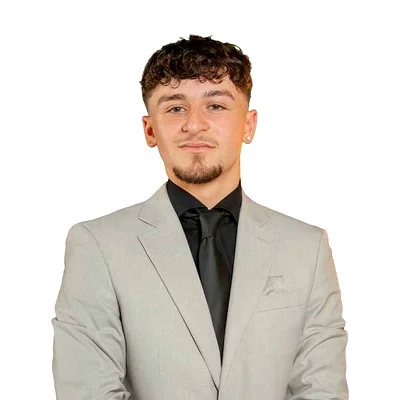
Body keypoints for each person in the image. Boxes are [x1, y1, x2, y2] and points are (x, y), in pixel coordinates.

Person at [51, 34, 349, 399]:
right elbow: (87, 391)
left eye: (216, 106)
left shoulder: (307, 248)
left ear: (249, 125)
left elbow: (320, 389)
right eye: (175, 108)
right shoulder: (98, 245)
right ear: (149, 129)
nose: (195, 124)